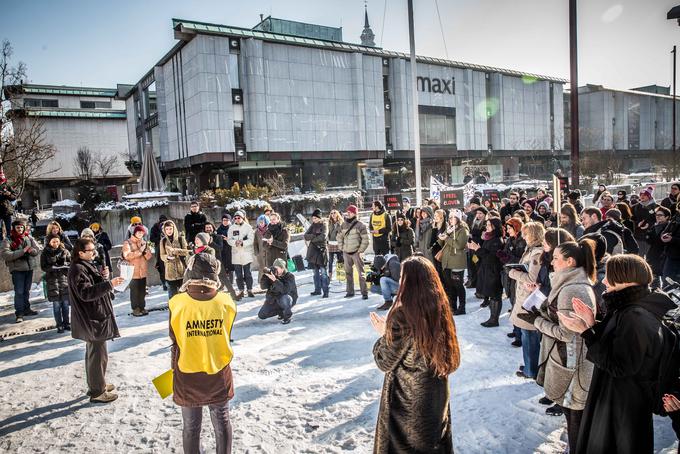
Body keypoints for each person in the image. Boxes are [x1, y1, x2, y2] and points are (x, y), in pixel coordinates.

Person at [557, 254, 675, 454]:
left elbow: (620, 365)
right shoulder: (628, 308)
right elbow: (618, 341)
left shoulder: (635, 316)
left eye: (609, 276)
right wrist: (592, 323)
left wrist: (586, 332)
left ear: (625, 280)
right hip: (616, 402)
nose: (603, 281)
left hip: (622, 410)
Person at [370, 255, 460, 454]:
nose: (400, 280)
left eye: (403, 276)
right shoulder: (440, 309)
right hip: (436, 397)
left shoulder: (402, 315)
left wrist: (384, 335)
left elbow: (384, 361)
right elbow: (452, 359)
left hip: (407, 404)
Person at [520, 240, 597, 453]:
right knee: (570, 413)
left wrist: (537, 321)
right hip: (567, 360)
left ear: (569, 261)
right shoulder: (566, 283)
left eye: (555, 258)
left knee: (575, 417)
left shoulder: (572, 289)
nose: (551, 262)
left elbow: (566, 333)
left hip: (572, 364)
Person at [168, 252, 236, 454]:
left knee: (190, 426)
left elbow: (174, 339)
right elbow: (226, 332)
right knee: (222, 421)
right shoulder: (226, 302)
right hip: (218, 370)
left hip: (187, 372)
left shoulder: (177, 303)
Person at [69, 238, 125, 403]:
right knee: (97, 355)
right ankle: (97, 391)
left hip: (94, 316)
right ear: (80, 253)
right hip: (91, 318)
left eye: (94, 249)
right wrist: (109, 284)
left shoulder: (84, 265)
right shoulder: (78, 268)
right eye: (90, 250)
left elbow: (92, 284)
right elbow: (86, 293)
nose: (94, 252)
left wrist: (103, 277)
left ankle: (97, 383)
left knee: (97, 354)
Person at [509, 222, 545, 378]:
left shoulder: (537, 252)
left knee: (529, 335)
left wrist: (513, 273)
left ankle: (532, 370)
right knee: (526, 334)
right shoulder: (530, 249)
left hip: (529, 297)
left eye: (526, 234)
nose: (523, 237)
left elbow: (532, 277)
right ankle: (530, 365)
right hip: (524, 294)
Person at [1, 219, 40, 322]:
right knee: (19, 292)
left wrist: (32, 251)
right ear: (14, 228)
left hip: (29, 268)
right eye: (17, 227)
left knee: (26, 291)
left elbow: (37, 250)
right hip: (17, 270)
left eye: (21, 227)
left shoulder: (28, 237)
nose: (20, 229)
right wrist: (23, 251)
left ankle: (27, 309)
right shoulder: (8, 240)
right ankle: (19, 314)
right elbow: (6, 255)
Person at [468, 217, 504, 327]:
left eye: (488, 225)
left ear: (494, 227)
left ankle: (494, 319)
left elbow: (492, 257)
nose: (486, 227)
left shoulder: (496, 240)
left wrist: (478, 249)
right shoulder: (489, 238)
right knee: (491, 294)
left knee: (495, 295)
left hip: (493, 270)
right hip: (486, 269)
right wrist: (477, 249)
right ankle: (492, 318)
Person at [498, 217, 527, 344]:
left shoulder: (522, 241)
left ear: (516, 228)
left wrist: (507, 257)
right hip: (509, 273)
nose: (507, 230)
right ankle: (516, 329)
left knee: (517, 303)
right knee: (512, 302)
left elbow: (521, 260)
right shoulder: (510, 239)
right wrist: (503, 255)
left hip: (518, 275)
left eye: (510, 228)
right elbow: (506, 253)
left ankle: (520, 335)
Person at [438, 209, 469, 315]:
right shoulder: (449, 229)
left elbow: (459, 245)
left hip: (457, 261)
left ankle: (462, 307)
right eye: (450, 218)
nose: (451, 220)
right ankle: (453, 306)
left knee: (458, 285)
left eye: (454, 217)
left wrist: (447, 238)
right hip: (447, 261)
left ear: (458, 219)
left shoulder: (463, 230)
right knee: (450, 285)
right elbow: (441, 241)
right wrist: (442, 236)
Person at [41, 235, 71, 333]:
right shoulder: (45, 252)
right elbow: (43, 267)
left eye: (57, 241)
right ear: (49, 242)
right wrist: (52, 268)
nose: (56, 244)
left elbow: (71, 263)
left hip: (63, 280)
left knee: (66, 304)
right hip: (52, 281)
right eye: (53, 242)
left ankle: (67, 323)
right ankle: (59, 325)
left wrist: (65, 265)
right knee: (56, 305)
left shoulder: (65, 251)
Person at [122, 225, 153, 316]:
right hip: (133, 272)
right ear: (134, 233)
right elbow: (127, 255)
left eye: (142, 233)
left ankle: (142, 307)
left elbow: (148, 257)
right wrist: (140, 251)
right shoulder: (128, 242)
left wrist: (145, 252)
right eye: (138, 232)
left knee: (142, 291)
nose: (140, 234)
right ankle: (135, 309)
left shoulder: (144, 242)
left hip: (142, 272)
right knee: (134, 292)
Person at [258, 258, 298, 324]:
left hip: (287, 299)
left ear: (282, 268)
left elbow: (285, 290)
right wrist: (265, 276)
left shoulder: (290, 276)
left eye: (277, 268)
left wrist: (275, 280)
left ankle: (287, 316)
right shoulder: (273, 275)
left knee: (285, 298)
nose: (275, 269)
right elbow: (263, 287)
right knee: (262, 315)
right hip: (275, 300)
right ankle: (281, 312)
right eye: (274, 267)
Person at [226, 210, 255, 300]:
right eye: (235, 218)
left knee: (248, 274)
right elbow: (229, 240)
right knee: (238, 274)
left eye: (239, 218)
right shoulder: (231, 228)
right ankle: (241, 290)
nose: (237, 219)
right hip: (236, 254)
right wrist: (235, 242)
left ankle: (249, 290)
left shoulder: (248, 227)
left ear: (242, 218)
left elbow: (251, 240)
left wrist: (243, 243)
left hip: (246, 253)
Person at [160, 220, 191, 299]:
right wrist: (167, 257)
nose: (169, 231)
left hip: (182, 271)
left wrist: (175, 251)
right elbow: (162, 255)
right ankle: (173, 312)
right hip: (170, 273)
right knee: (173, 297)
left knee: (185, 296)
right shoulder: (163, 241)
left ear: (174, 229)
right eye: (166, 229)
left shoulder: (181, 239)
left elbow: (186, 252)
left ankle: (186, 311)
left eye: (170, 229)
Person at [304, 209, 329, 298]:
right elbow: (306, 236)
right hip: (313, 251)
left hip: (321, 251)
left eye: (315, 218)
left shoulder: (324, 224)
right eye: (313, 218)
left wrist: (313, 239)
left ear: (319, 218)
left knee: (323, 272)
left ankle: (325, 291)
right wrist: (314, 236)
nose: (313, 220)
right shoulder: (312, 225)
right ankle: (317, 290)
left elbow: (323, 236)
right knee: (315, 273)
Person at [632, 187, 658, 257]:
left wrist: (649, 225)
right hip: (638, 235)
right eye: (641, 195)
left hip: (650, 235)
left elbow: (657, 219)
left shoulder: (655, 206)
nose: (642, 196)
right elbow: (632, 218)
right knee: (639, 256)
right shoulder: (636, 206)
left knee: (649, 256)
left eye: (645, 195)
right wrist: (638, 223)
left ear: (649, 196)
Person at [466, 206, 487, 289]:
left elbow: (482, 238)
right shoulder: (475, 223)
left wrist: (473, 235)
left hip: (479, 249)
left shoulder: (485, 224)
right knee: (472, 266)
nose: (478, 215)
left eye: (480, 213)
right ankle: (474, 282)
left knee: (478, 267)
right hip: (472, 248)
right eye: (477, 213)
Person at [149, 215, 169, 291]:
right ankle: (164, 283)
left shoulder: (169, 226)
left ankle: (169, 282)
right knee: (161, 266)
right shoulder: (155, 227)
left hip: (168, 248)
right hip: (159, 248)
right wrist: (160, 238)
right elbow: (152, 239)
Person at [661, 204, 680, 283]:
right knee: (666, 281)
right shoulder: (676, 216)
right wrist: (664, 236)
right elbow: (666, 231)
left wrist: (673, 239)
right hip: (671, 255)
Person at [216, 214, 235, 290]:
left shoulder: (233, 228)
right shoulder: (219, 229)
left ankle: (231, 284)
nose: (225, 222)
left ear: (230, 221)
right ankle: (222, 284)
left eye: (227, 220)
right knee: (222, 268)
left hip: (231, 250)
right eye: (224, 220)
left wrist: (228, 239)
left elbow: (235, 240)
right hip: (222, 251)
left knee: (230, 268)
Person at [0, 169, 17, 241]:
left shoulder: (7, 186)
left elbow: (14, 197)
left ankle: (10, 242)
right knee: (0, 230)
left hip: (7, 211)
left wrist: (9, 194)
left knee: (9, 229)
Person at [326, 210, 343, 280]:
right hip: (331, 244)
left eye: (334, 213)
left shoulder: (341, 222)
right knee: (330, 261)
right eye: (331, 213)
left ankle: (341, 274)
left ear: (337, 214)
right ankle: (330, 276)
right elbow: (327, 233)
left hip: (338, 244)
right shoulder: (329, 223)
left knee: (340, 260)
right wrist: (327, 242)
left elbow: (342, 233)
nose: (333, 214)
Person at [252, 214, 268, 280]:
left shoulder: (269, 230)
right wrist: (256, 253)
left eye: (262, 222)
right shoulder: (257, 232)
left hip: (269, 252)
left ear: (266, 222)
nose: (260, 224)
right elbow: (255, 243)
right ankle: (261, 281)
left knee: (269, 267)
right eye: (259, 222)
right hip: (260, 254)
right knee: (262, 268)